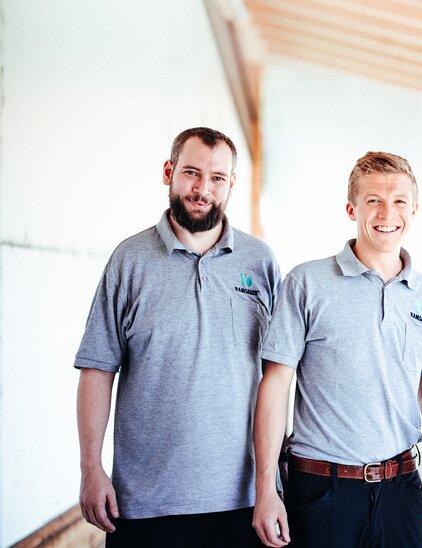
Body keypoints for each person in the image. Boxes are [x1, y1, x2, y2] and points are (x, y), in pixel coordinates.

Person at [252, 151, 422, 547]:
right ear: (352, 208)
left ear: (414, 210)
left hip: (401, 489)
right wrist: (266, 490)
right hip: (322, 490)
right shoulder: (307, 283)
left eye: (399, 201)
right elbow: (275, 386)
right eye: (373, 201)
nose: (388, 212)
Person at [75, 127, 280, 546]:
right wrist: (91, 468)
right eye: (191, 173)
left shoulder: (260, 263)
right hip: (146, 504)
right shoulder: (129, 261)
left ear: (231, 185)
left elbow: (279, 377)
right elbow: (97, 368)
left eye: (217, 178)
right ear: (169, 172)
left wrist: (271, 485)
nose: (203, 189)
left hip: (242, 502)